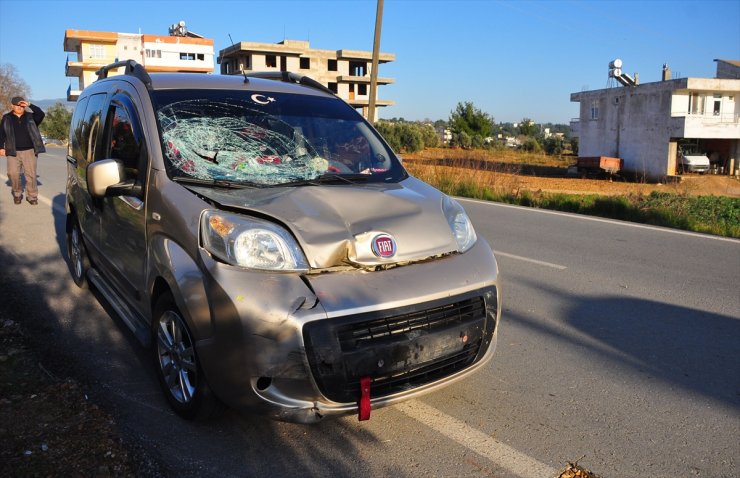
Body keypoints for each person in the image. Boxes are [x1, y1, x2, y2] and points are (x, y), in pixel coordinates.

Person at [0, 96, 46, 205]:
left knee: (31, 175)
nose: (19, 107)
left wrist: (30, 104)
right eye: (17, 105)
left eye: (21, 105)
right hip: (12, 151)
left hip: (30, 151)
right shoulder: (6, 118)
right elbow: (1, 134)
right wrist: (1, 147)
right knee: (12, 174)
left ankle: (32, 196)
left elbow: (41, 114)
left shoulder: (31, 117)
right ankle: (17, 193)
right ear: (12, 106)